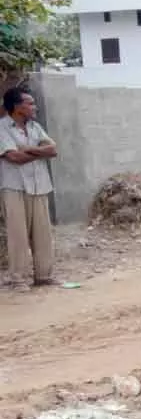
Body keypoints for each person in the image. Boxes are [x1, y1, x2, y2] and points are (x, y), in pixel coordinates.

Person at [0, 87, 58, 292]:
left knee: (43, 233)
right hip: (14, 187)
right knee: (18, 235)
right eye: (30, 103)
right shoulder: (2, 128)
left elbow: (53, 149)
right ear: (17, 107)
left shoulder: (35, 127)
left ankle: (44, 276)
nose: (34, 107)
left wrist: (28, 150)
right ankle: (18, 279)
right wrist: (39, 152)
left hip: (39, 185)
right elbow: (14, 158)